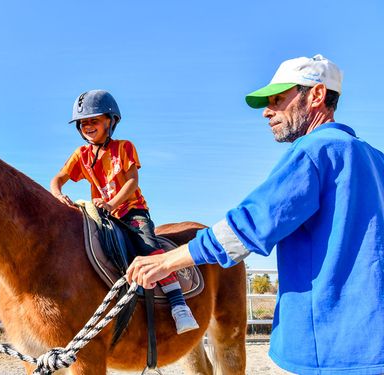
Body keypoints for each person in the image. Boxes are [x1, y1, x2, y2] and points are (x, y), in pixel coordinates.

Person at [126, 54, 384, 374]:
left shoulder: (314, 151)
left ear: (317, 95)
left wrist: (163, 261)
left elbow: (249, 226)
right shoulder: (375, 159)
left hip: (326, 349)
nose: (267, 111)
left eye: (278, 99)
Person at [50, 89, 199, 334]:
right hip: (102, 216)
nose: (87, 126)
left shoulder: (124, 147)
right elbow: (58, 178)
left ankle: (179, 305)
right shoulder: (81, 155)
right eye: (83, 123)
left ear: (110, 121)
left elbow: (132, 182)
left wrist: (111, 204)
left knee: (150, 250)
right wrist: (57, 194)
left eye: (94, 121)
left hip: (131, 212)